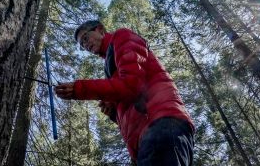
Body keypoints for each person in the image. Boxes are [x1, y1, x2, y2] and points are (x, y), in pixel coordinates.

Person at [54, 20, 194, 165]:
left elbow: (132, 85)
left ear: (100, 30)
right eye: (82, 45)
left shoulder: (122, 36)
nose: (85, 45)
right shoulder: (111, 63)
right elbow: (131, 99)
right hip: (147, 138)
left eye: (85, 38)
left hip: (161, 124)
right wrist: (114, 113)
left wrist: (79, 89)